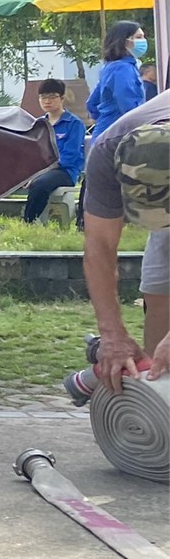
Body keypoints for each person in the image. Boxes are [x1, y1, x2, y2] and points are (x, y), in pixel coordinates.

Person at [83, 93, 170, 391]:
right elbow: (99, 248)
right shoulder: (107, 152)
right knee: (160, 293)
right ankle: (158, 395)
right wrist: (112, 336)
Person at [13, 79, 87, 225]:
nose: (47, 101)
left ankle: (29, 222)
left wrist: (38, 173)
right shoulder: (38, 124)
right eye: (43, 97)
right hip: (38, 171)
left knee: (40, 184)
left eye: (52, 97)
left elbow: (68, 157)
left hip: (64, 172)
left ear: (62, 99)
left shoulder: (74, 124)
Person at [89, 21, 149, 135]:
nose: (143, 41)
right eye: (138, 37)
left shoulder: (109, 67)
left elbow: (92, 103)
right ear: (125, 41)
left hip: (103, 132)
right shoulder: (124, 69)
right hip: (120, 135)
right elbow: (129, 108)